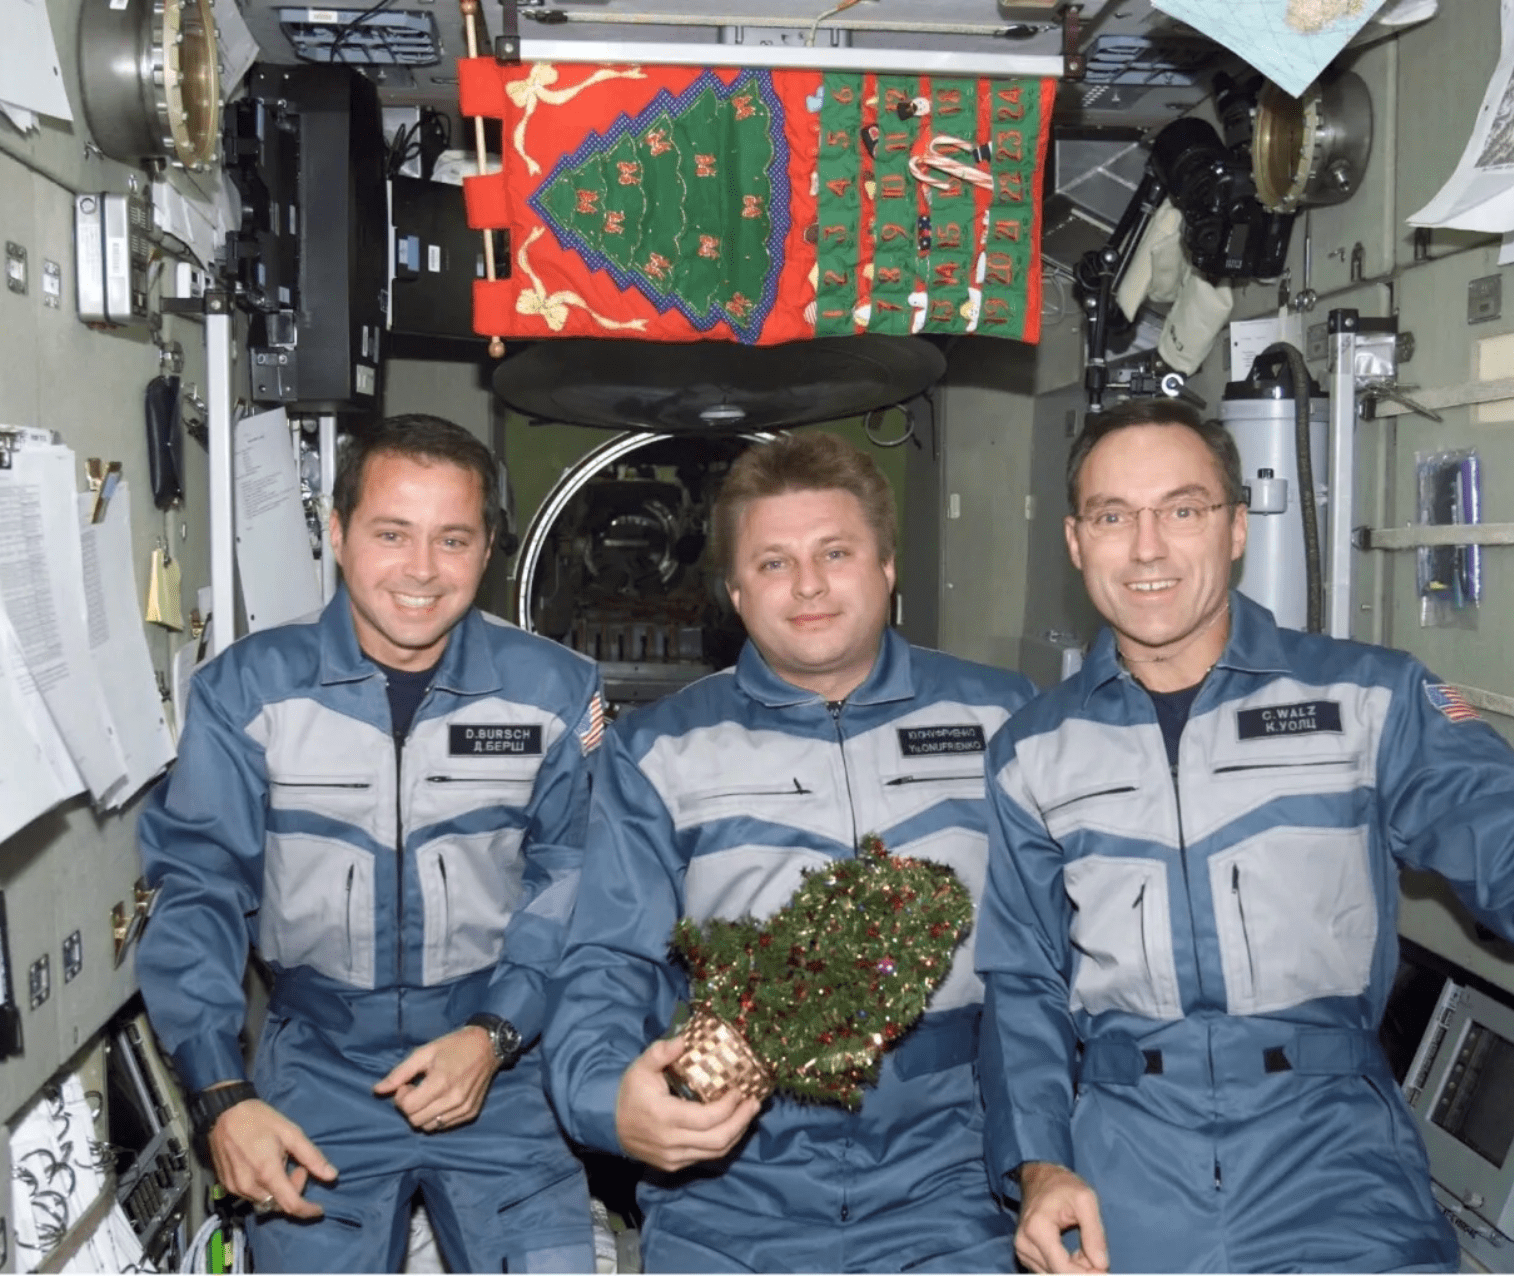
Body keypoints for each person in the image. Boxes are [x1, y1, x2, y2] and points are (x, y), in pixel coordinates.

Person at [975, 397, 1514, 1274]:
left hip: (1332, 1151)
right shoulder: (1032, 751)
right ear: (1077, 543)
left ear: (1234, 528)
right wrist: (1041, 1167)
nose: (1147, 548)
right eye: (1115, 517)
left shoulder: (1368, 702)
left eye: (1182, 510)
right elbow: (1024, 984)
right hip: (1124, 1156)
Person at [545, 431, 1037, 1272]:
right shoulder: (661, 750)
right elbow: (605, 959)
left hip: (951, 1186)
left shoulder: (1003, 722)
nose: (807, 585)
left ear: (887, 567)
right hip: (730, 1189)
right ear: (735, 591)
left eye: (835, 552)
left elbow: (1054, 967)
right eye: (772, 563)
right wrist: (604, 1100)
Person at [136, 415, 604, 1273]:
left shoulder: (555, 693)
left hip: (498, 1067)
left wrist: (498, 1034)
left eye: (452, 538)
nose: (422, 570)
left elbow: (572, 876)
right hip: (317, 1069)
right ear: (340, 533)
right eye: (393, 533)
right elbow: (199, 887)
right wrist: (220, 1093)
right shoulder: (246, 692)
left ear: (489, 547)